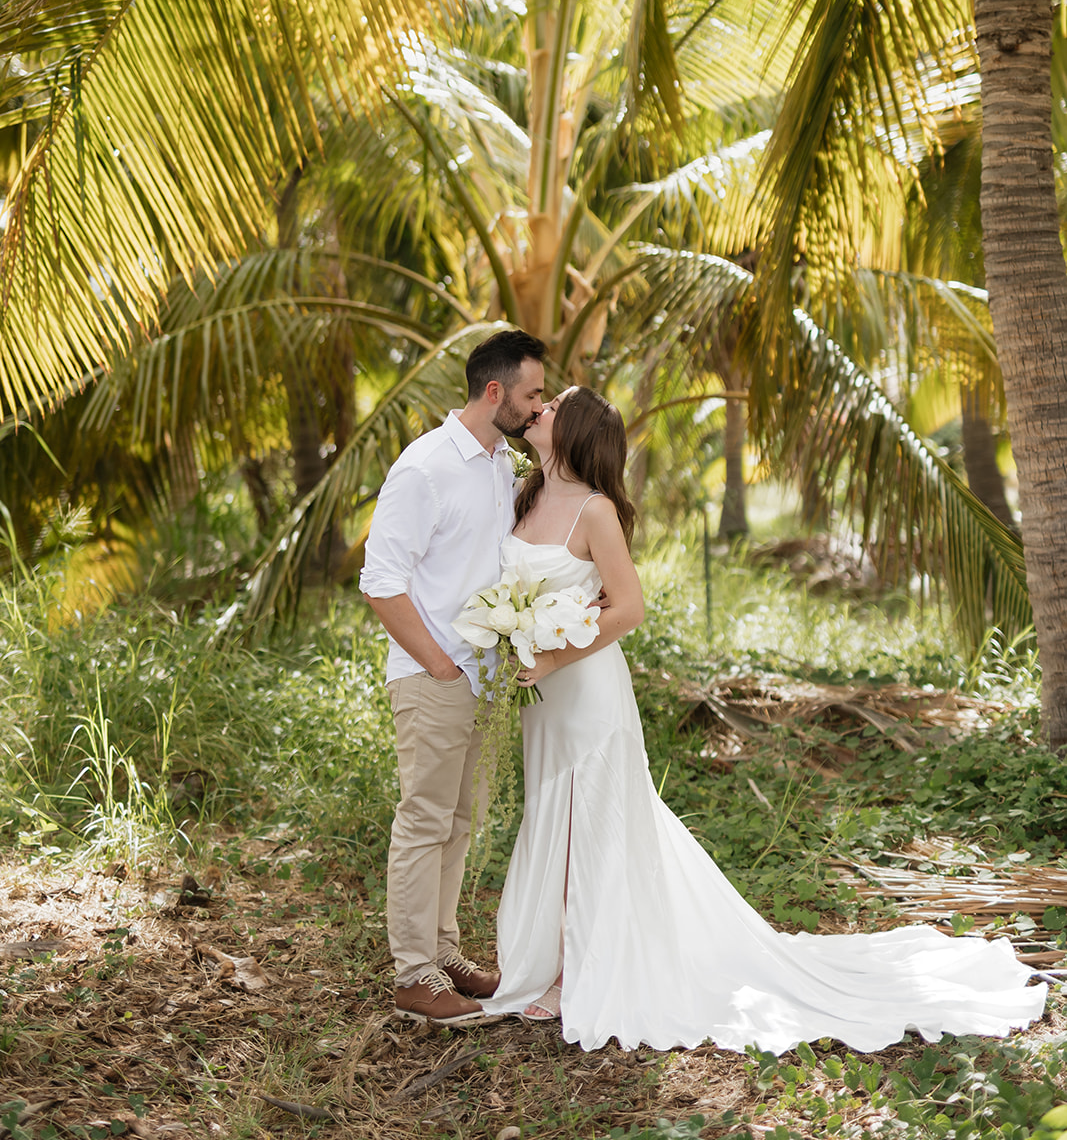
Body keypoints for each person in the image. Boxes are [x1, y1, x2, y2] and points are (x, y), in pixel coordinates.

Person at [484, 386, 1047, 1053]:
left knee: (593, 822)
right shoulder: (524, 493)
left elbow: (628, 608)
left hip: (584, 689)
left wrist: (551, 655)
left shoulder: (595, 511)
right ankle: (548, 958)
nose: (538, 408)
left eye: (553, 405)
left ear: (574, 430)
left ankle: (579, 968)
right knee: (556, 812)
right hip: (541, 695)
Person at [360, 328, 546, 1025]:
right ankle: (412, 973)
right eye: (530, 394)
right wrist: (439, 663)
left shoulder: (500, 462)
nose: (537, 407)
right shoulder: (425, 467)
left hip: (480, 676)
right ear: (493, 391)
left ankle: (442, 952)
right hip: (433, 674)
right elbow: (381, 583)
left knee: (458, 821)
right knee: (424, 820)